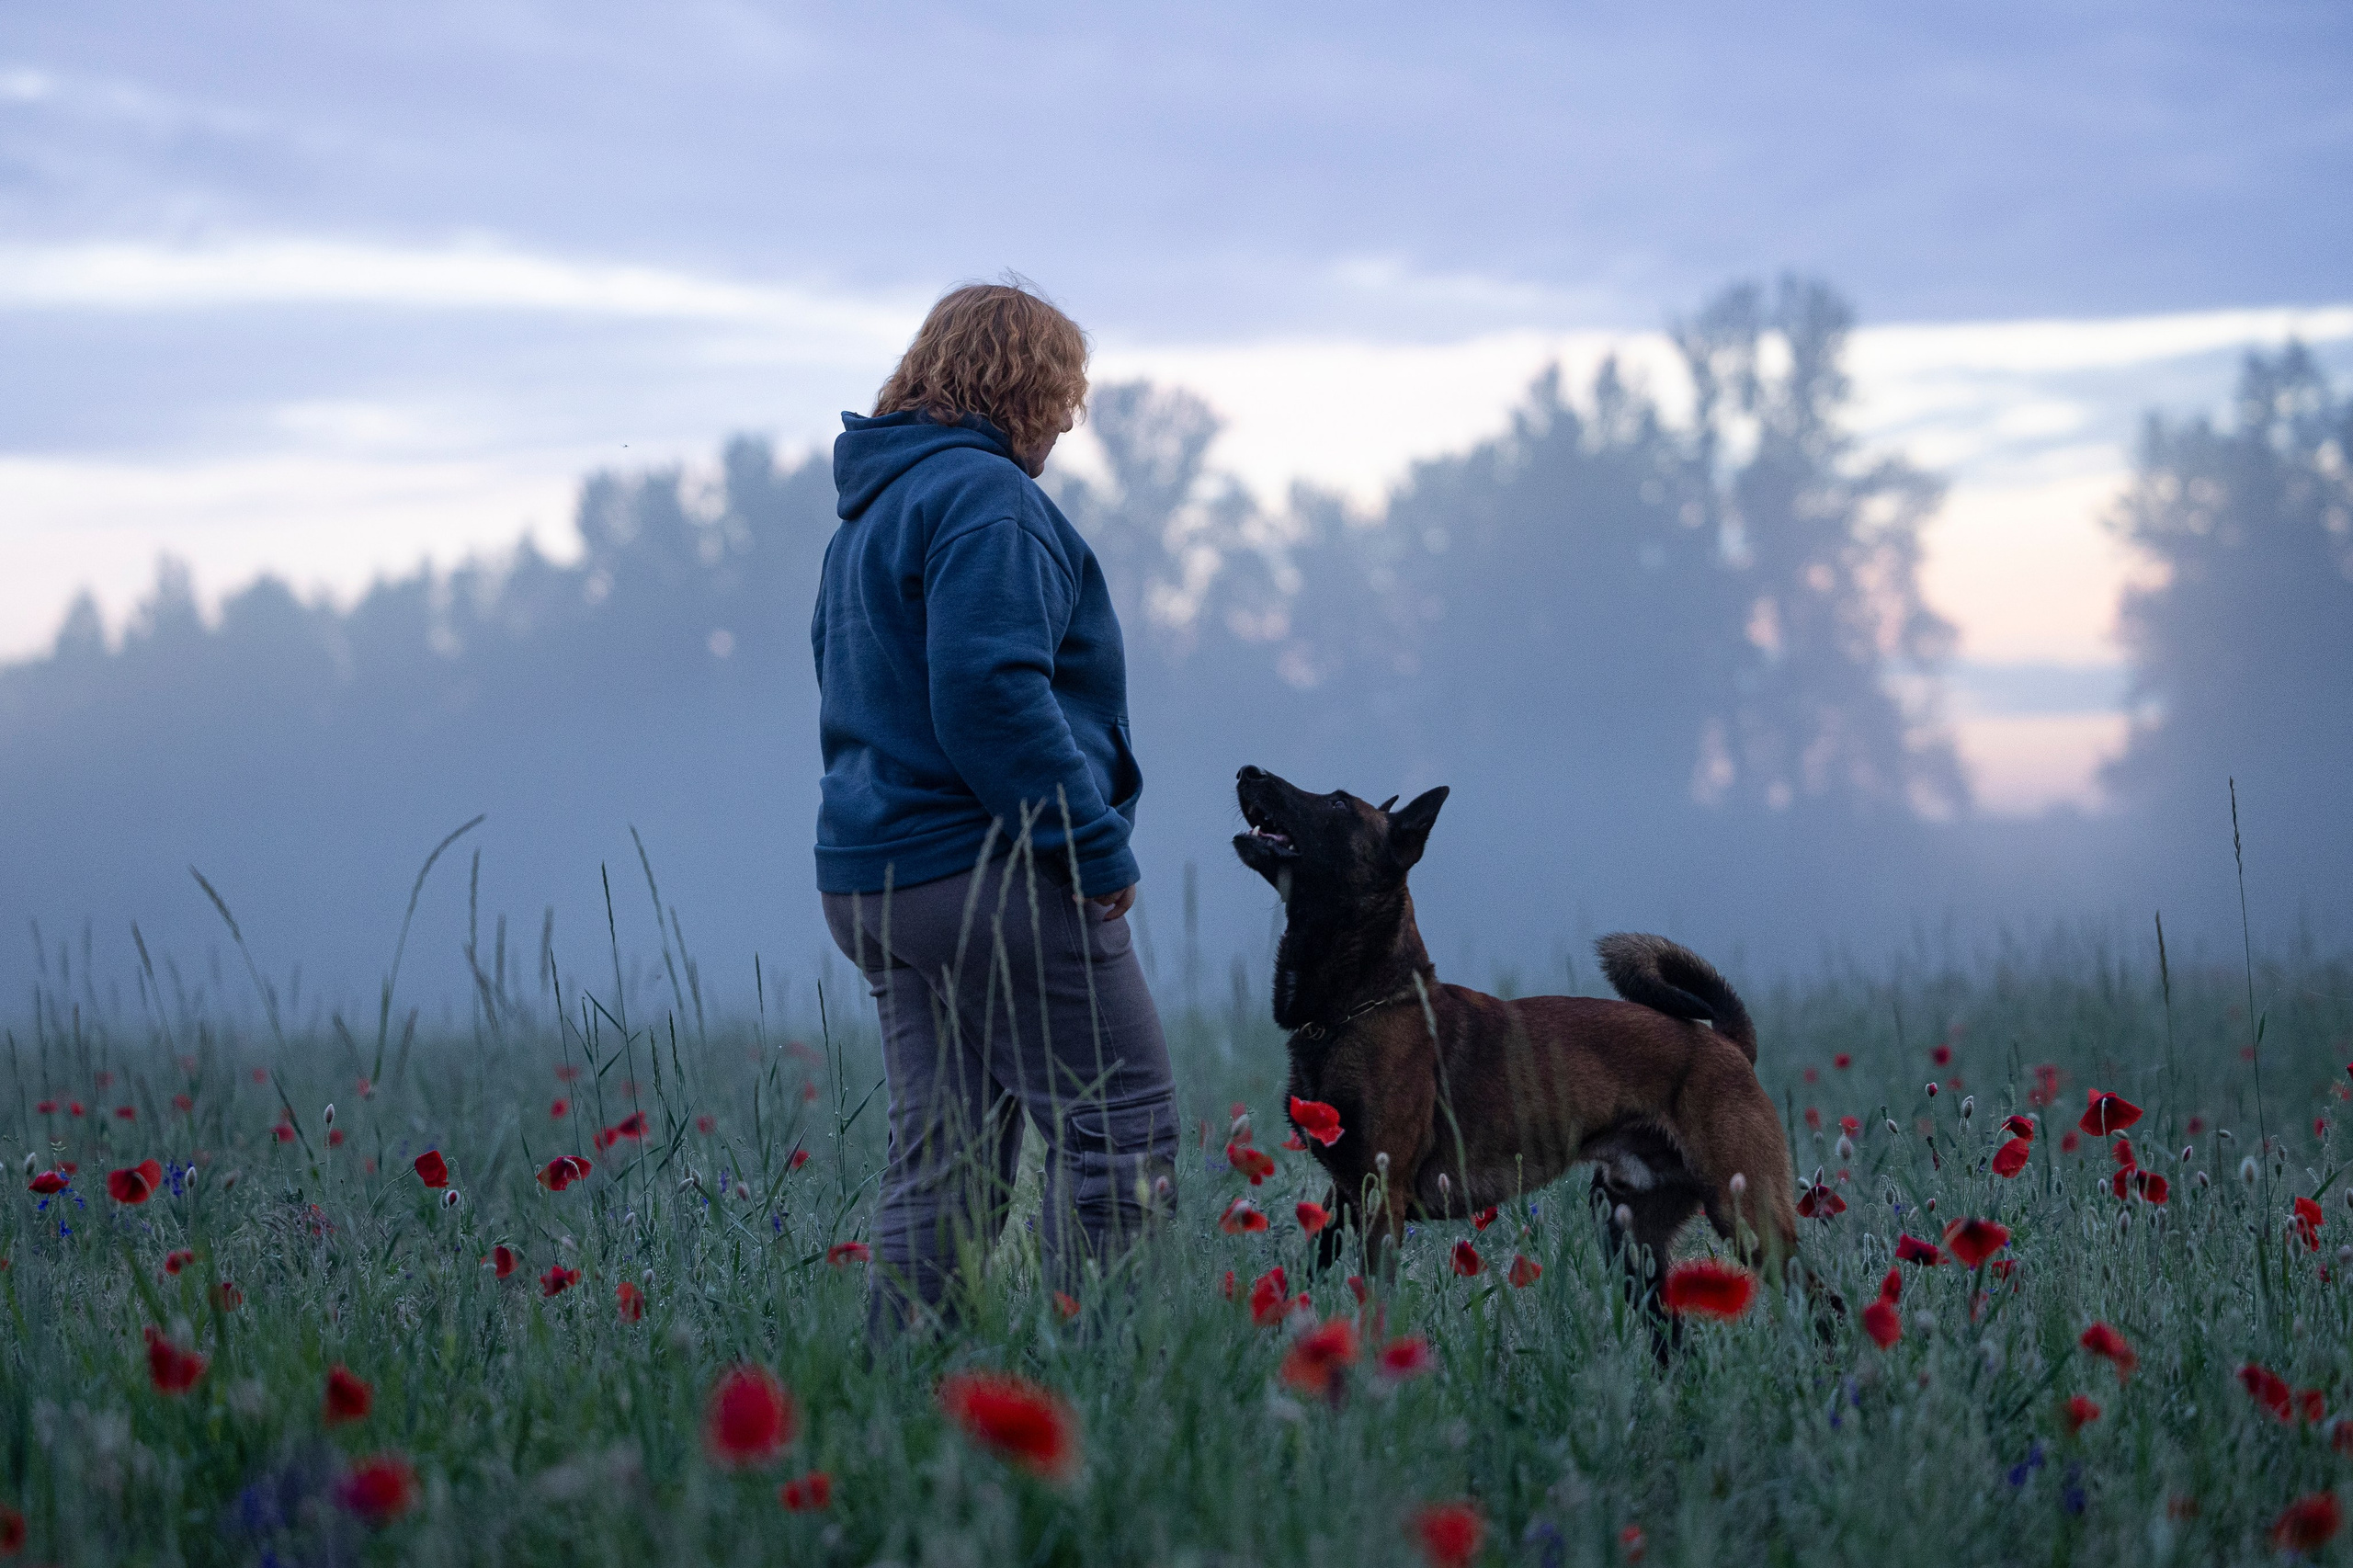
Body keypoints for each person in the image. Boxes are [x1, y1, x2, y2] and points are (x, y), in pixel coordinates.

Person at [813, 279, 1178, 1335]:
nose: (1067, 419)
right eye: (1063, 393)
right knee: (1121, 1132)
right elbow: (989, 692)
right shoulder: (984, 498)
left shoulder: (873, 514)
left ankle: (899, 1403)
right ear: (1023, 381)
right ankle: (1102, 1387)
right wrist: (1092, 846)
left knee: (948, 1167)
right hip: (986, 872)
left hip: (878, 877)